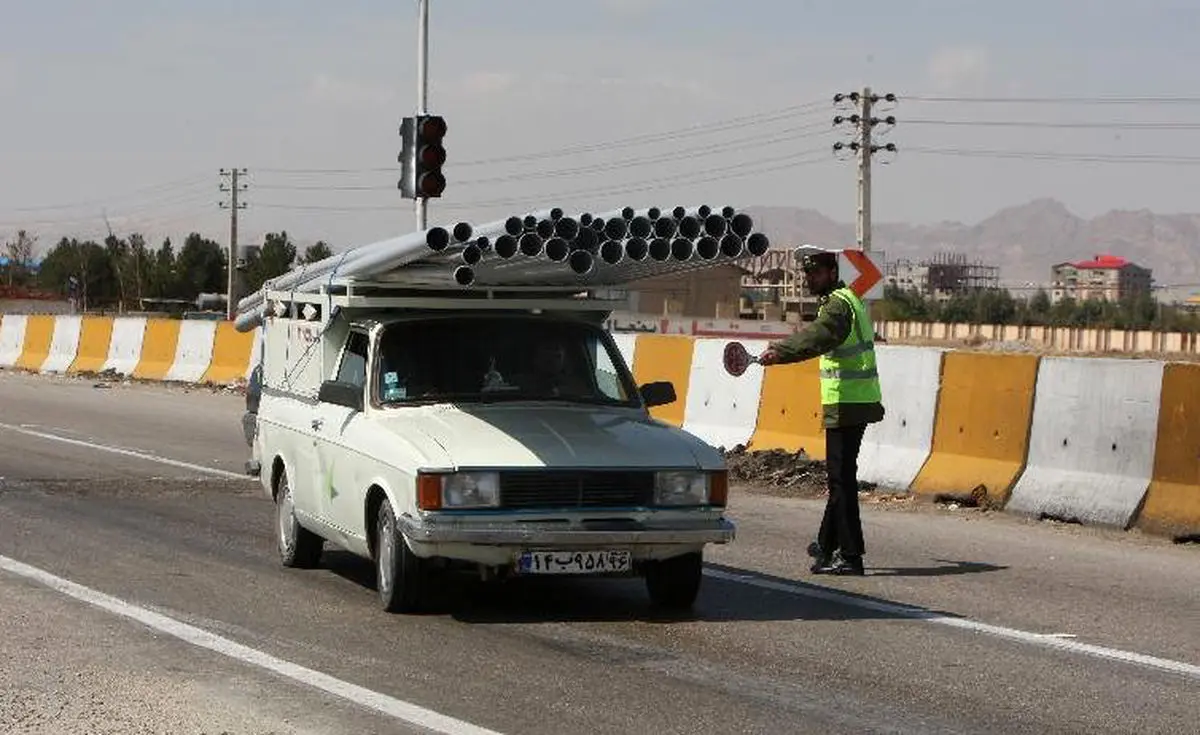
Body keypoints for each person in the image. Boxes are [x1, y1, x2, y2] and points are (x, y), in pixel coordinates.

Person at [757, 251, 885, 576]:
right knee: (840, 477)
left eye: (815, 274)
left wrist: (779, 351)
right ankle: (827, 546)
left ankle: (851, 555)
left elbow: (818, 337)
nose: (809, 279)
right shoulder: (849, 299)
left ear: (831, 272)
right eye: (807, 274)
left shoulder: (838, 305)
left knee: (841, 480)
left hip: (847, 402)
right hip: (857, 400)